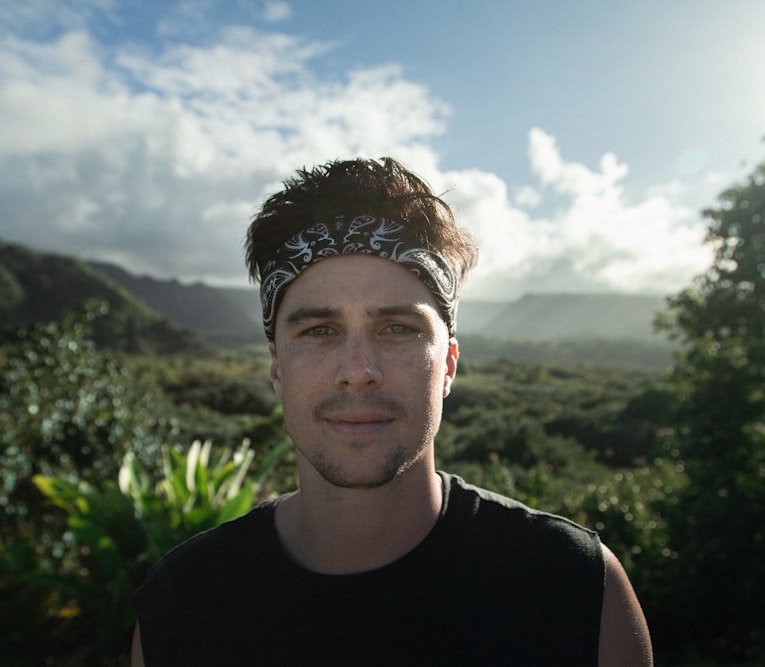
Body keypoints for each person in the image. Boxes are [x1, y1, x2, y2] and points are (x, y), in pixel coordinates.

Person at [131, 158, 653, 666]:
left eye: (398, 328)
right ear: (276, 367)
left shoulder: (575, 589)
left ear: (448, 364)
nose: (358, 370)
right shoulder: (180, 605)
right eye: (319, 331)